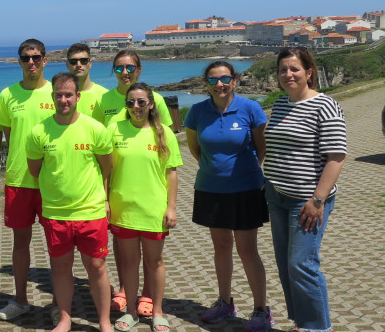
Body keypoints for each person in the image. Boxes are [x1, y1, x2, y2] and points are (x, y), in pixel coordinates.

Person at [183, 61, 272, 330]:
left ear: (234, 80)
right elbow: (195, 150)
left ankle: (260, 310)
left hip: (246, 189)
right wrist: (216, 171)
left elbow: (261, 148)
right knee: (221, 248)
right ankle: (225, 302)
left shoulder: (251, 108)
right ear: (206, 84)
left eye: (224, 78)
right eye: (213, 80)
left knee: (247, 250)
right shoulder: (197, 112)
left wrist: (243, 174)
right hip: (211, 189)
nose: (219, 84)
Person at [263, 48, 346, 332]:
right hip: (276, 196)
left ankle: (318, 327)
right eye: (283, 69)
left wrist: (318, 199)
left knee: (302, 264)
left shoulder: (326, 106)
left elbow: (336, 157)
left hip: (307, 200)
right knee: (286, 265)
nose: (288, 74)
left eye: (294, 69)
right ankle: (302, 322)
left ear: (309, 72)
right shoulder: (281, 105)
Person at [26, 72, 114, 332]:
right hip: (56, 213)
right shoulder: (39, 131)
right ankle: (65, 318)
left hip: (91, 211)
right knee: (61, 268)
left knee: (96, 267)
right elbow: (35, 170)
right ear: (52, 97)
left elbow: (106, 167)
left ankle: (105, 322)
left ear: (78, 96)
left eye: (68, 95)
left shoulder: (95, 129)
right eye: (58, 95)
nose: (64, 100)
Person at [96, 49, 172, 316]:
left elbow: (167, 152)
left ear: (139, 69)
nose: (124, 72)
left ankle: (149, 297)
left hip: (149, 197)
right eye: (118, 68)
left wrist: (171, 204)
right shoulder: (103, 99)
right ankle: (126, 293)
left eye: (129, 67)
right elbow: (99, 147)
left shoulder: (157, 101)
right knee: (124, 251)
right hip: (120, 193)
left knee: (153, 258)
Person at [108, 83, 182, 332]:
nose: (136, 107)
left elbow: (171, 174)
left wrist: (171, 208)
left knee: (155, 262)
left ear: (151, 104)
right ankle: (130, 312)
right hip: (123, 209)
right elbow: (105, 170)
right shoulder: (114, 129)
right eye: (130, 103)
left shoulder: (164, 133)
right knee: (129, 263)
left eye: (141, 102)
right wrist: (106, 201)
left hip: (153, 210)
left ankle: (158, 311)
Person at [0, 38, 54, 320]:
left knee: (58, 244)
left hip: (53, 180)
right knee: (20, 242)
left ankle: (59, 304)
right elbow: (9, 134)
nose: (31, 62)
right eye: (25, 58)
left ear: (45, 60)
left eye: (36, 57)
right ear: (19, 61)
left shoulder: (57, 92)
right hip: (18, 180)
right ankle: (20, 300)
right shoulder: (8, 94)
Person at [65, 43, 107, 120]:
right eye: (73, 61)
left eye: (83, 60)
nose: (78, 64)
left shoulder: (104, 95)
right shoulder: (61, 96)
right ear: (67, 65)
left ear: (90, 64)